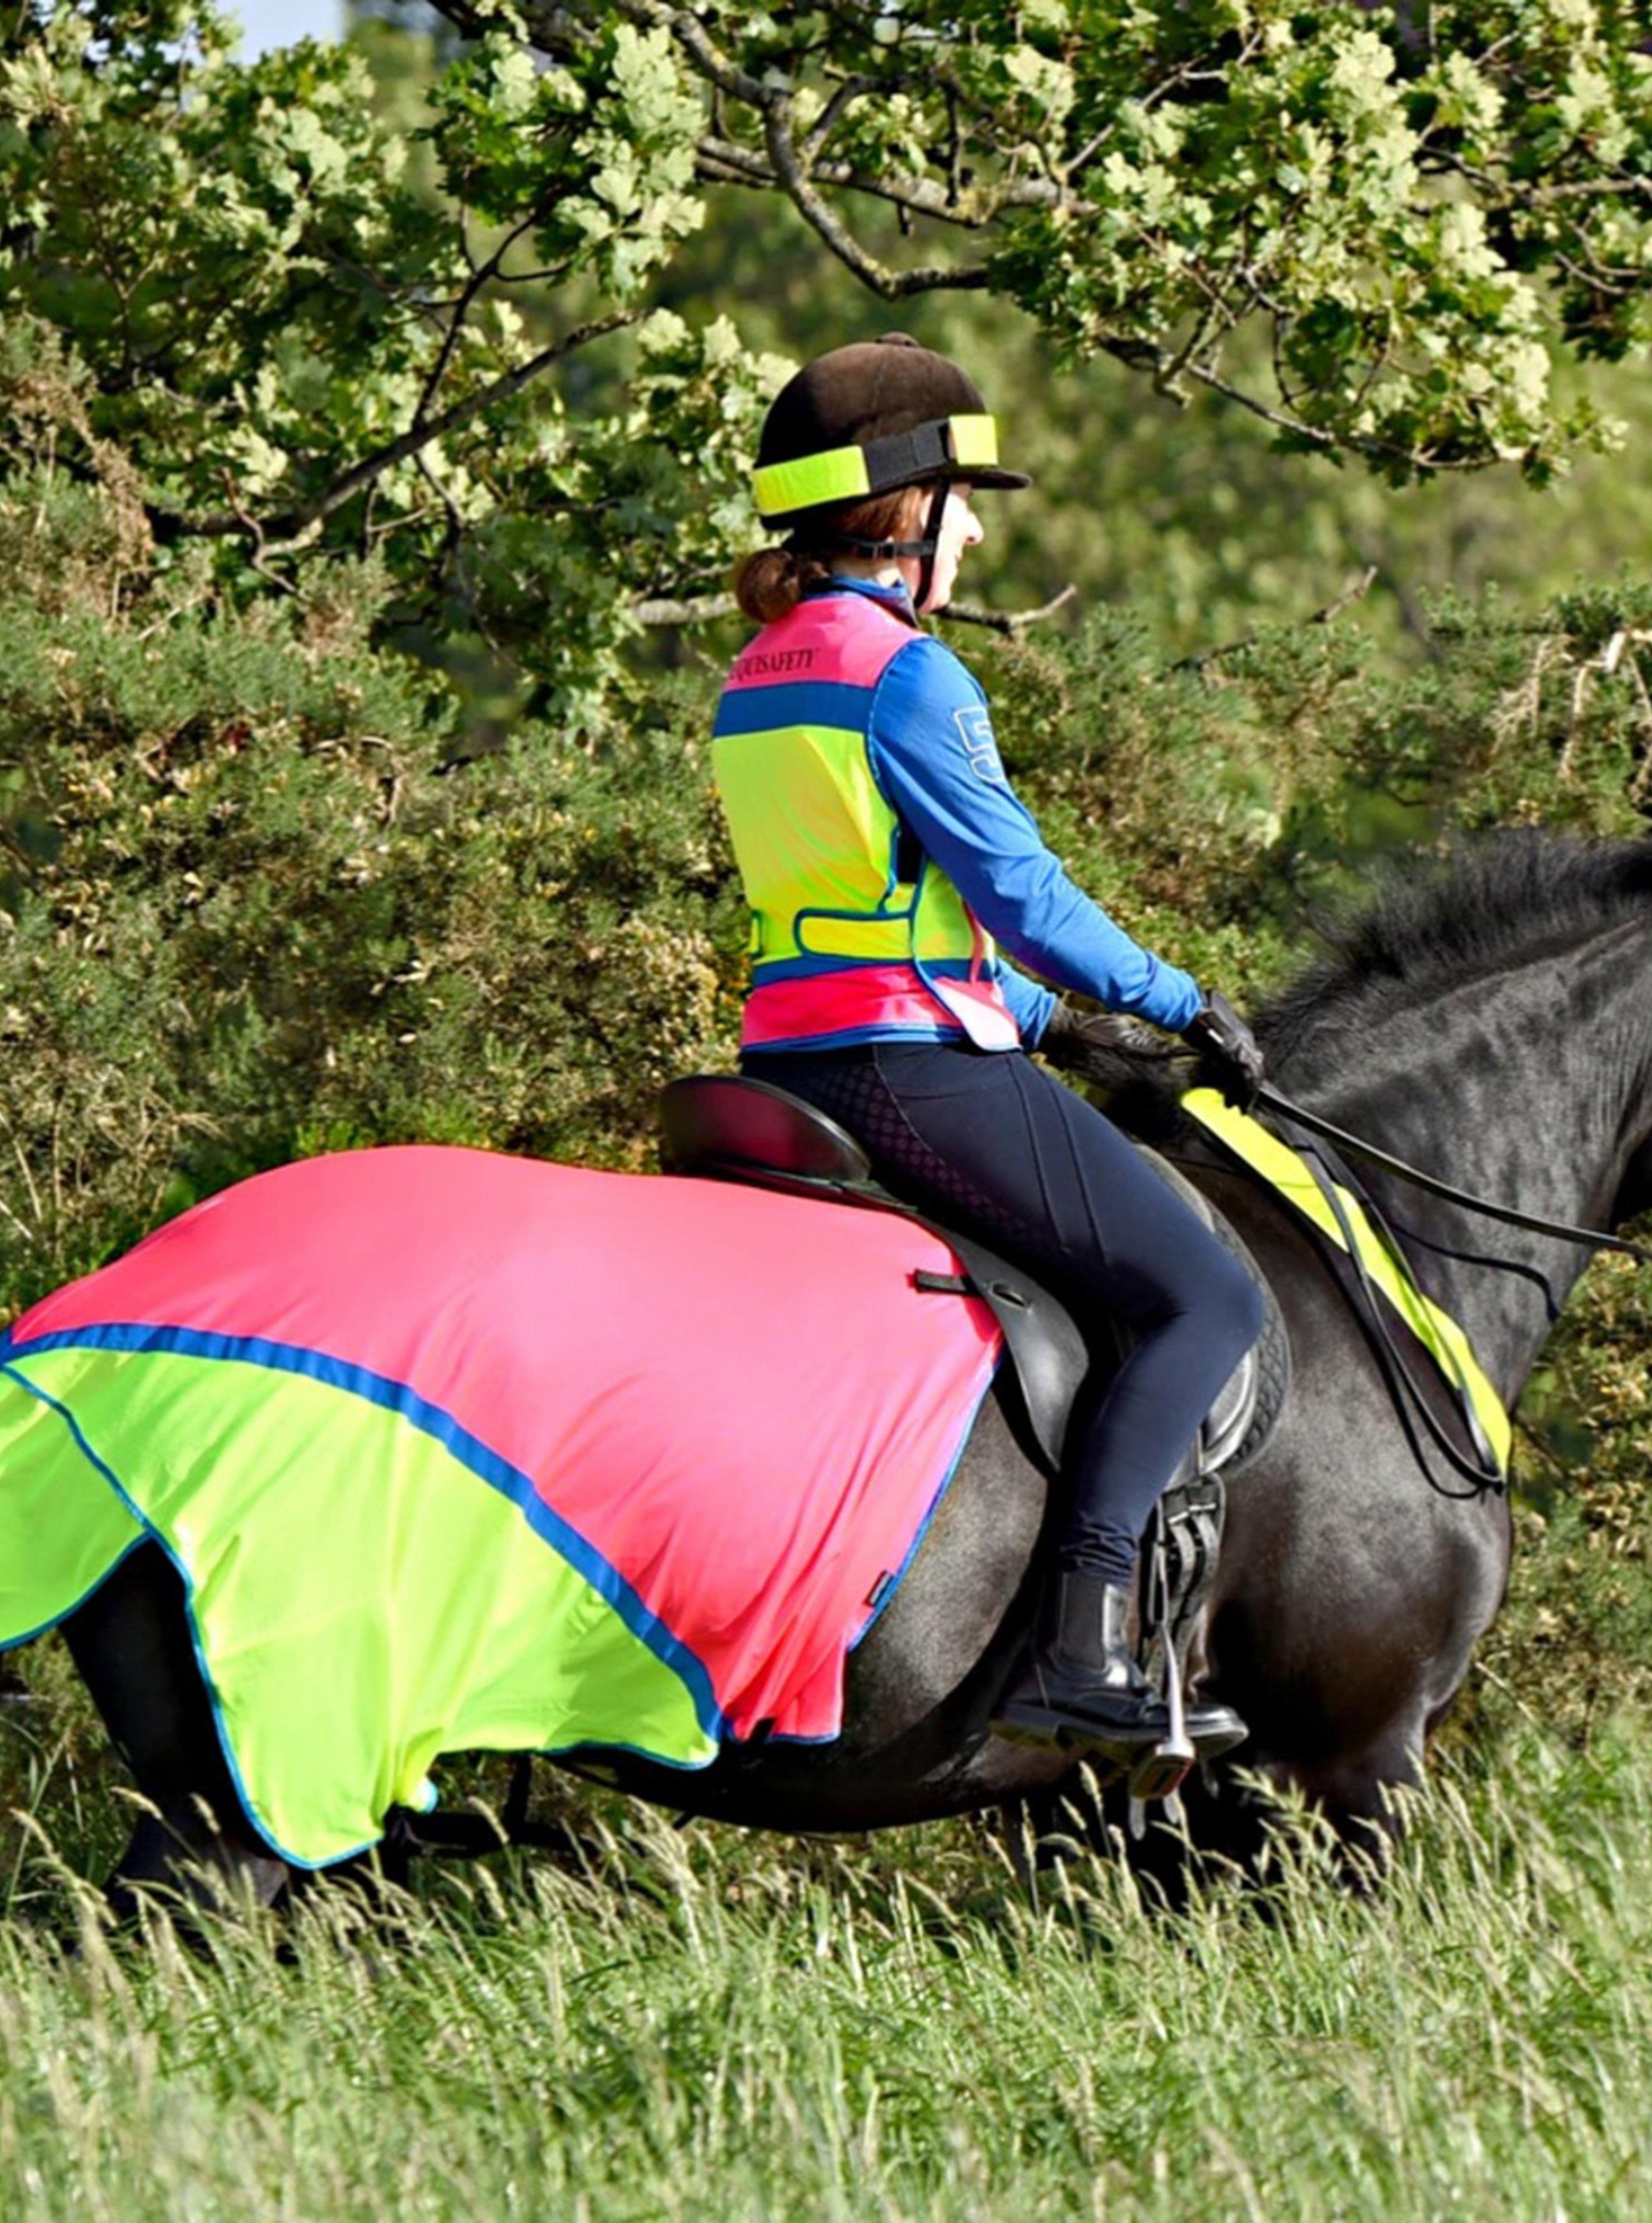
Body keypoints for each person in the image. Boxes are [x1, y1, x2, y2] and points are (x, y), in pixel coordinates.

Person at [711, 332, 1269, 1760]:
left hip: (787, 1060)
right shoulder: (908, 676)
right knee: (1204, 1293)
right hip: (907, 1069)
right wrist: (1172, 996)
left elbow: (861, 913)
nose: (976, 529)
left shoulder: (758, 670)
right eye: (965, 503)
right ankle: (1083, 1639)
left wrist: (1052, 1025)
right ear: (906, 513)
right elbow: (1018, 895)